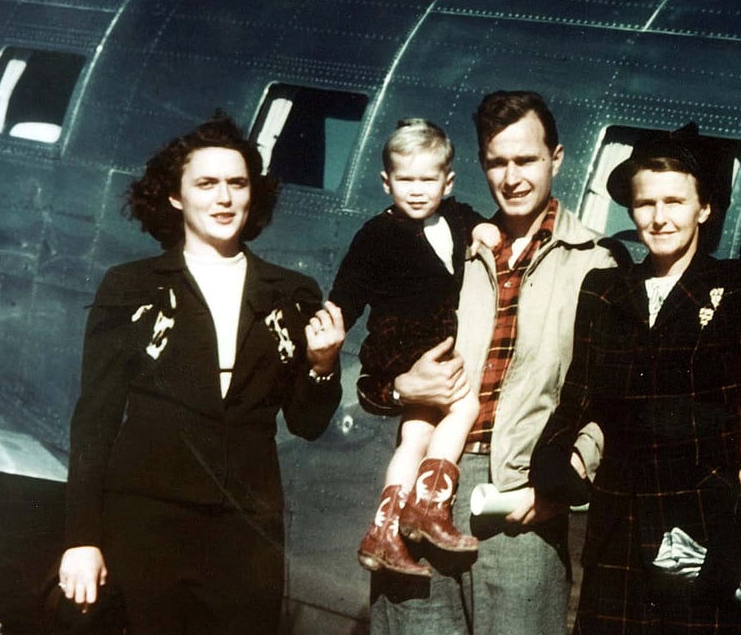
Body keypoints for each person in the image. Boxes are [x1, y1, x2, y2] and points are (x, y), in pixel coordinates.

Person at [57, 113, 344, 635]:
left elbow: (306, 424)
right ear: (175, 196)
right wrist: (82, 538)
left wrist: (323, 365)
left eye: (238, 184)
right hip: (146, 521)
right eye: (206, 184)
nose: (224, 199)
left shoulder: (290, 293)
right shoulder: (131, 287)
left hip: (245, 531)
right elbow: (95, 419)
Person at [366, 90, 625, 635]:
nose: (511, 178)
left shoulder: (599, 263)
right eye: (496, 162)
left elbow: (614, 394)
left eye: (526, 160)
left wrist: (565, 481)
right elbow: (379, 365)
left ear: (556, 158)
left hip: (519, 497)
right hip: (430, 481)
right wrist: (402, 388)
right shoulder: (451, 248)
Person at [531, 125, 741, 633]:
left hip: (704, 523)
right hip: (618, 520)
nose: (659, 217)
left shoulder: (738, 286)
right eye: (645, 203)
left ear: (704, 208)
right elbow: (579, 393)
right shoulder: (605, 289)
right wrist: (553, 458)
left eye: (674, 202)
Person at [331, 118, 490, 576]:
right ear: (387, 183)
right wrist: (333, 324)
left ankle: (383, 533)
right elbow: (348, 290)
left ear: (447, 182)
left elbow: (477, 223)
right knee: (465, 406)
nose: (417, 190)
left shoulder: (457, 217)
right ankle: (429, 508)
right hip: (402, 344)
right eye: (405, 180)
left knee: (416, 433)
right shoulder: (377, 233)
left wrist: (485, 231)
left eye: (427, 180)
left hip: (431, 344)